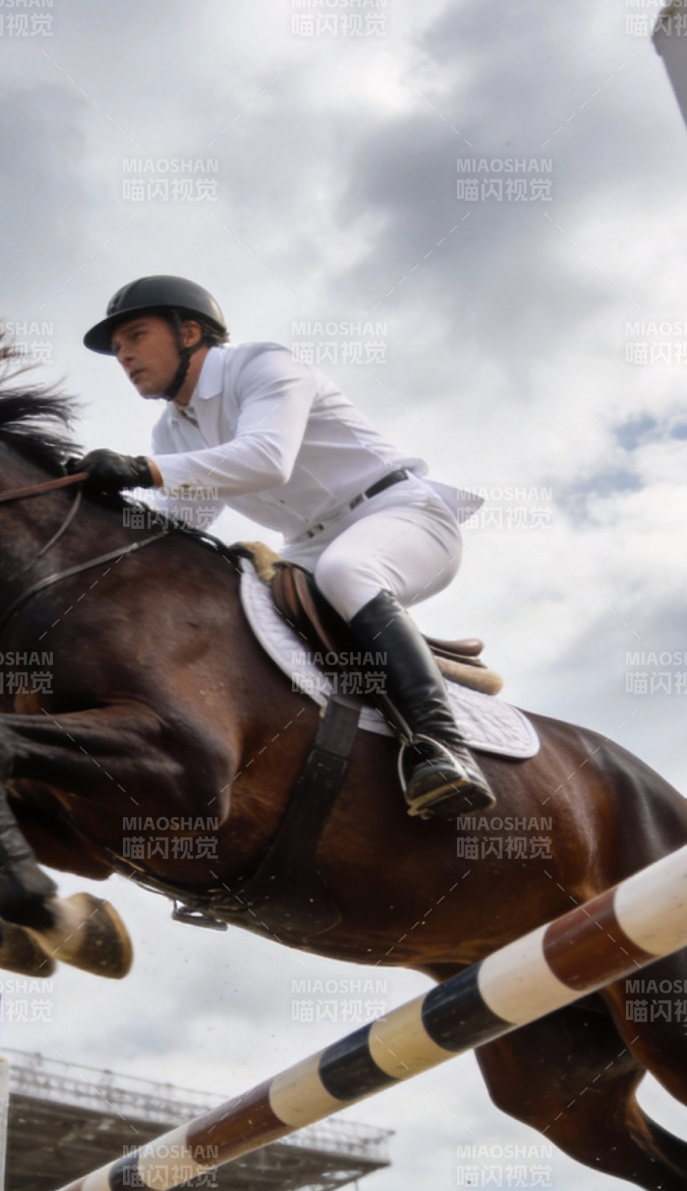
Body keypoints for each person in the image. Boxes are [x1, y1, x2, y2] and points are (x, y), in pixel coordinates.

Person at [70, 275, 495, 819]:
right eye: (117, 348)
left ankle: (443, 746)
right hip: (307, 549)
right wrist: (96, 514)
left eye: (135, 335)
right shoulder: (171, 433)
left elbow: (267, 458)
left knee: (347, 572)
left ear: (191, 332)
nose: (124, 355)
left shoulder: (263, 366)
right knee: (247, 623)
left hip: (398, 514)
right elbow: (180, 528)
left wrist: (140, 471)